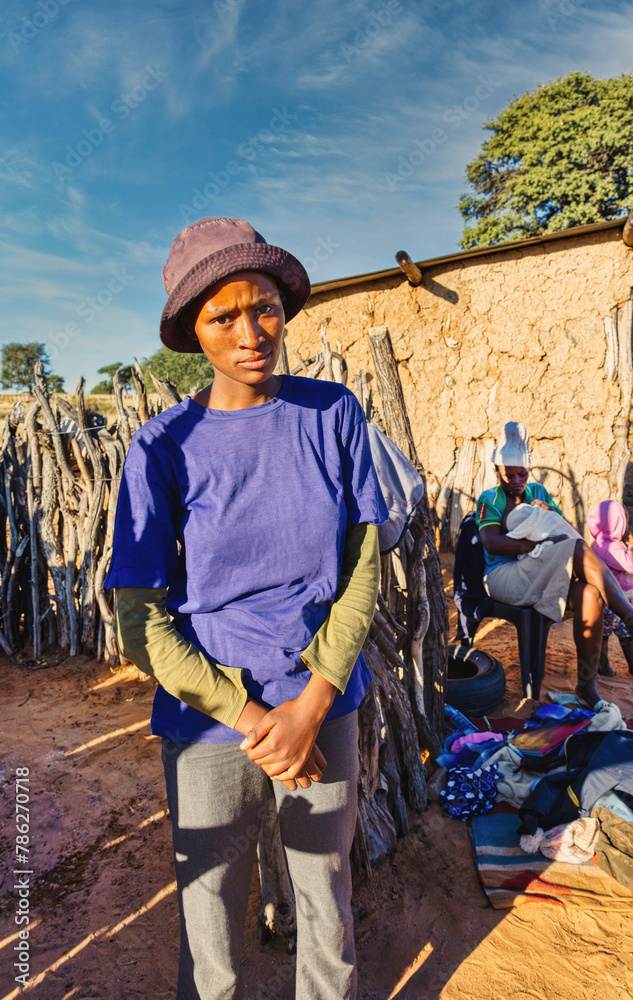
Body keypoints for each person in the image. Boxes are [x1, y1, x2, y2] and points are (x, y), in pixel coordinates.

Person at [105, 216, 388, 1000]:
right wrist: (246, 714)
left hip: (320, 706)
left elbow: (362, 567)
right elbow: (141, 614)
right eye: (222, 316)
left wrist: (312, 701)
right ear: (194, 331)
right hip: (210, 724)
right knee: (211, 926)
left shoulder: (332, 415)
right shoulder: (163, 446)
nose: (249, 331)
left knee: (325, 909)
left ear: (284, 308)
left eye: (261, 306)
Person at [475, 422, 633, 708]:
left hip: (539, 568)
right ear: (496, 471)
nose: (516, 480)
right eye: (509, 475)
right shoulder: (489, 499)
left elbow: (561, 527)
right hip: (504, 576)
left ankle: (586, 687)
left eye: (522, 473)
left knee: (590, 594)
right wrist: (534, 545)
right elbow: (492, 543)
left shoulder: (537, 491)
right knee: (576, 548)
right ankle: (631, 619)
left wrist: (547, 510)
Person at [587, 500, 633, 682]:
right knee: (619, 631)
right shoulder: (610, 547)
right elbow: (631, 565)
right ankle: (624, 666)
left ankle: (614, 664)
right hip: (616, 599)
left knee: (609, 631)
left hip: (612, 597)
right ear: (617, 523)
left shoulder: (601, 542)